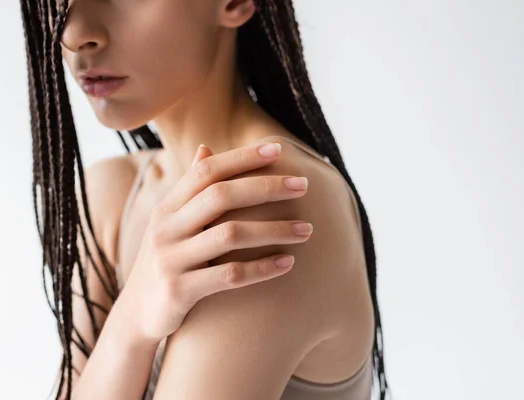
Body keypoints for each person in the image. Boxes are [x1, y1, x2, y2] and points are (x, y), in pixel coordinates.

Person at [19, 0, 389, 399]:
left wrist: (129, 327)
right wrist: (131, 324)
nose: (74, 35)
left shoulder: (268, 201)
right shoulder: (113, 195)